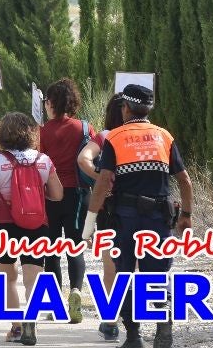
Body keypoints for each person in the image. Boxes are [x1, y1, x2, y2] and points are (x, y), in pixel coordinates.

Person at [84, 84, 194, 348]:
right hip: (159, 217)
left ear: (126, 108)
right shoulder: (164, 136)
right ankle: (163, 330)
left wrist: (89, 224)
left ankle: (134, 336)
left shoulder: (116, 138)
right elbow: (185, 180)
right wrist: (187, 214)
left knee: (126, 275)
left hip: (125, 218)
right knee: (156, 274)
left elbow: (103, 182)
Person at [0, 112, 64, 346]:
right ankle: (31, 317)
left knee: (9, 277)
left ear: (2, 134)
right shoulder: (44, 160)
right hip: (37, 224)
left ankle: (16, 327)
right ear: (30, 133)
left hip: (4, 224)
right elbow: (58, 194)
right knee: (33, 277)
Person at [38, 78, 90, 322]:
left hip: (50, 195)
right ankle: (77, 292)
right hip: (79, 195)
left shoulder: (42, 132)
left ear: (52, 103)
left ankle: (56, 302)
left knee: (52, 252)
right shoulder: (84, 129)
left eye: (47, 101)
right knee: (75, 246)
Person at [78, 93, 126, 341]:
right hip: (141, 205)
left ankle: (110, 320)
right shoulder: (144, 135)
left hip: (108, 205)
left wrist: (101, 178)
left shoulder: (106, 136)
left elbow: (83, 158)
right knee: (139, 262)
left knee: (111, 264)